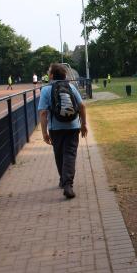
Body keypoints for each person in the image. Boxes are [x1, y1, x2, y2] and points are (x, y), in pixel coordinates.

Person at [38, 63, 87, 199]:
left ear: (52, 75)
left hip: (56, 129)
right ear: (65, 75)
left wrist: (44, 133)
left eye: (49, 72)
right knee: (70, 155)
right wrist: (84, 124)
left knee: (59, 155)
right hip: (72, 127)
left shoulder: (46, 90)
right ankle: (67, 184)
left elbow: (42, 113)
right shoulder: (70, 86)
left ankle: (64, 181)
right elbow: (82, 106)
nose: (48, 74)